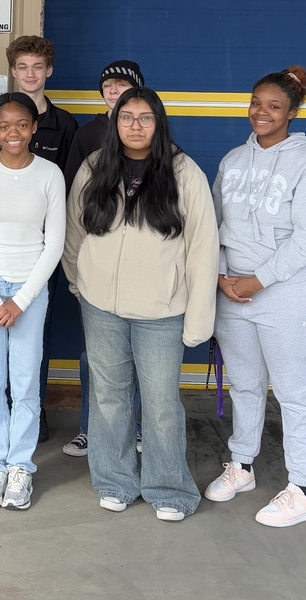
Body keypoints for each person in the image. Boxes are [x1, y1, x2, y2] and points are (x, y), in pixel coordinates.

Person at [62, 87, 218, 521]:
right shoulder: (96, 166)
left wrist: (199, 319)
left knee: (162, 402)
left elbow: (203, 249)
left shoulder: (184, 172)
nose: (135, 125)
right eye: (127, 117)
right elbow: (74, 232)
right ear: (115, 121)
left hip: (161, 312)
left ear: (159, 122)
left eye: (145, 118)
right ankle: (115, 481)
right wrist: (81, 283)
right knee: (109, 398)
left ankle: (169, 489)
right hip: (101, 308)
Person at [204, 66, 306, 528]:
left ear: (292, 113)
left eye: (274, 107)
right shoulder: (233, 160)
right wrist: (220, 275)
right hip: (232, 293)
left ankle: (303, 488)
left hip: (284, 294)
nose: (262, 112)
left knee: (294, 392)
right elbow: (211, 224)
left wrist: (258, 279)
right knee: (245, 386)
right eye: (257, 103)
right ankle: (242, 465)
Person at [0, 93, 66, 510]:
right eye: (4, 126)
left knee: (24, 383)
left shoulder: (50, 174)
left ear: (34, 127)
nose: (13, 133)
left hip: (30, 291)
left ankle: (21, 466)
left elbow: (54, 242)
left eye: (22, 124)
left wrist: (20, 301)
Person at [62, 59, 145, 458]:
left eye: (123, 85)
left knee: (143, 356)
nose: (114, 91)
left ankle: (139, 429)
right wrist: (77, 274)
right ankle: (89, 429)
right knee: (92, 355)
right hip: (97, 268)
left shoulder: (150, 130)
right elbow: (74, 204)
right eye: (109, 85)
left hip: (139, 270)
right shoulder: (87, 134)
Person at [7, 34, 78, 443]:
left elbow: (67, 192)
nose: (30, 74)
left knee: (38, 329)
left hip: (41, 249)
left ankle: (32, 408)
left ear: (49, 71)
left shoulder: (64, 124)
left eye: (38, 67)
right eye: (23, 67)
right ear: (13, 71)